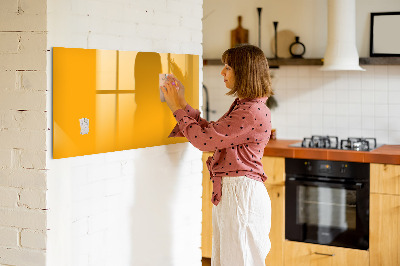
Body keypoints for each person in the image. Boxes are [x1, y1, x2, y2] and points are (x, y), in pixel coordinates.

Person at [161, 44, 273, 266]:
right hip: (236, 193)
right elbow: (212, 133)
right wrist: (182, 103)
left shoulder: (250, 111)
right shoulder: (246, 106)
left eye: (228, 67)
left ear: (244, 72)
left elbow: (204, 141)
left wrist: (176, 107)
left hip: (241, 195)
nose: (222, 72)